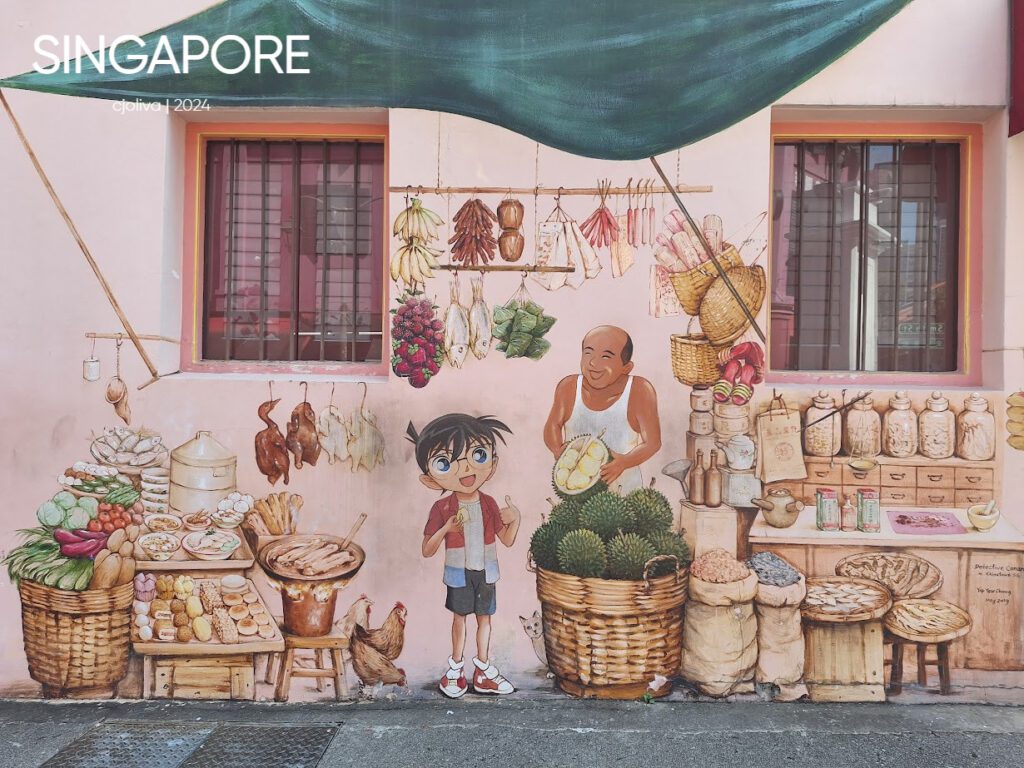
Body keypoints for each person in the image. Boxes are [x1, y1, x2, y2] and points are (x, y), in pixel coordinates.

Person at [409, 413, 521, 699]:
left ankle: (483, 671)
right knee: (459, 619)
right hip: (458, 572)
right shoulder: (442, 507)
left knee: (485, 620)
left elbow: (505, 540)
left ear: (492, 464)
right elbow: (427, 548)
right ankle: (456, 669)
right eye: (446, 463)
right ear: (430, 479)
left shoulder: (489, 503)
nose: (465, 468)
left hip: (486, 570)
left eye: (478, 454)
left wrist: (516, 519)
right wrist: (447, 527)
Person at [543, 325, 661, 493]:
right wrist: (557, 449)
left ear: (626, 367)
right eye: (588, 353)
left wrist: (623, 462)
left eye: (606, 356)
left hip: (624, 492)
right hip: (575, 489)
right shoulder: (568, 387)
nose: (593, 363)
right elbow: (553, 425)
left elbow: (652, 443)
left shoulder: (640, 390)